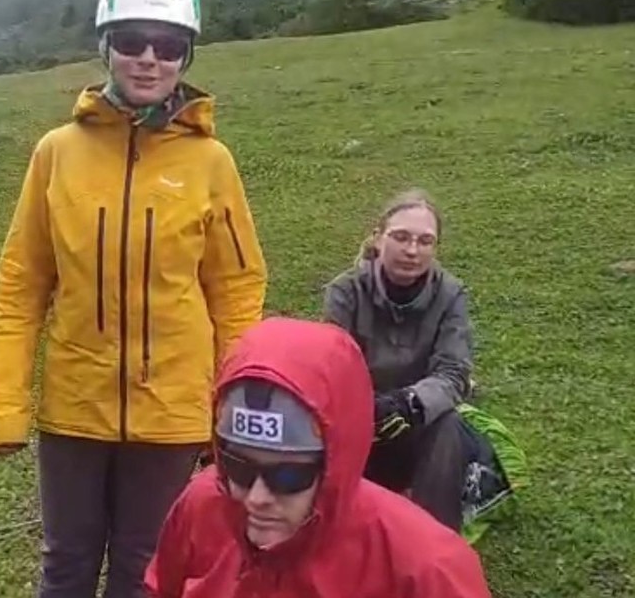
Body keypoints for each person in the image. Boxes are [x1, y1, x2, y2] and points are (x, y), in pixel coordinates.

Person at [0, 0, 268, 596]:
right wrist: (4, 409)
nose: (149, 59)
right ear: (106, 48)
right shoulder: (57, 153)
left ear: (186, 58)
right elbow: (21, 285)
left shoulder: (212, 162)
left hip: (174, 415)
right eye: (132, 41)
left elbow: (237, 292)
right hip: (74, 408)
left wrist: (233, 410)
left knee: (145, 571)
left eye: (169, 46)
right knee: (66, 564)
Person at [144, 317, 494, 597]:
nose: (257, 498)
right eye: (238, 467)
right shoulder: (203, 506)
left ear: (336, 463)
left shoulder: (427, 570)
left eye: (288, 476)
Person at [321, 189, 527, 537]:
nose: (412, 250)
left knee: (448, 425)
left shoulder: (451, 294)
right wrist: (366, 409)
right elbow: (331, 367)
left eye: (425, 241)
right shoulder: (345, 292)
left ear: (435, 247)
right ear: (378, 238)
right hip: (358, 422)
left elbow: (454, 373)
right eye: (401, 237)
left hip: (420, 423)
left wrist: (410, 403)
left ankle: (435, 542)